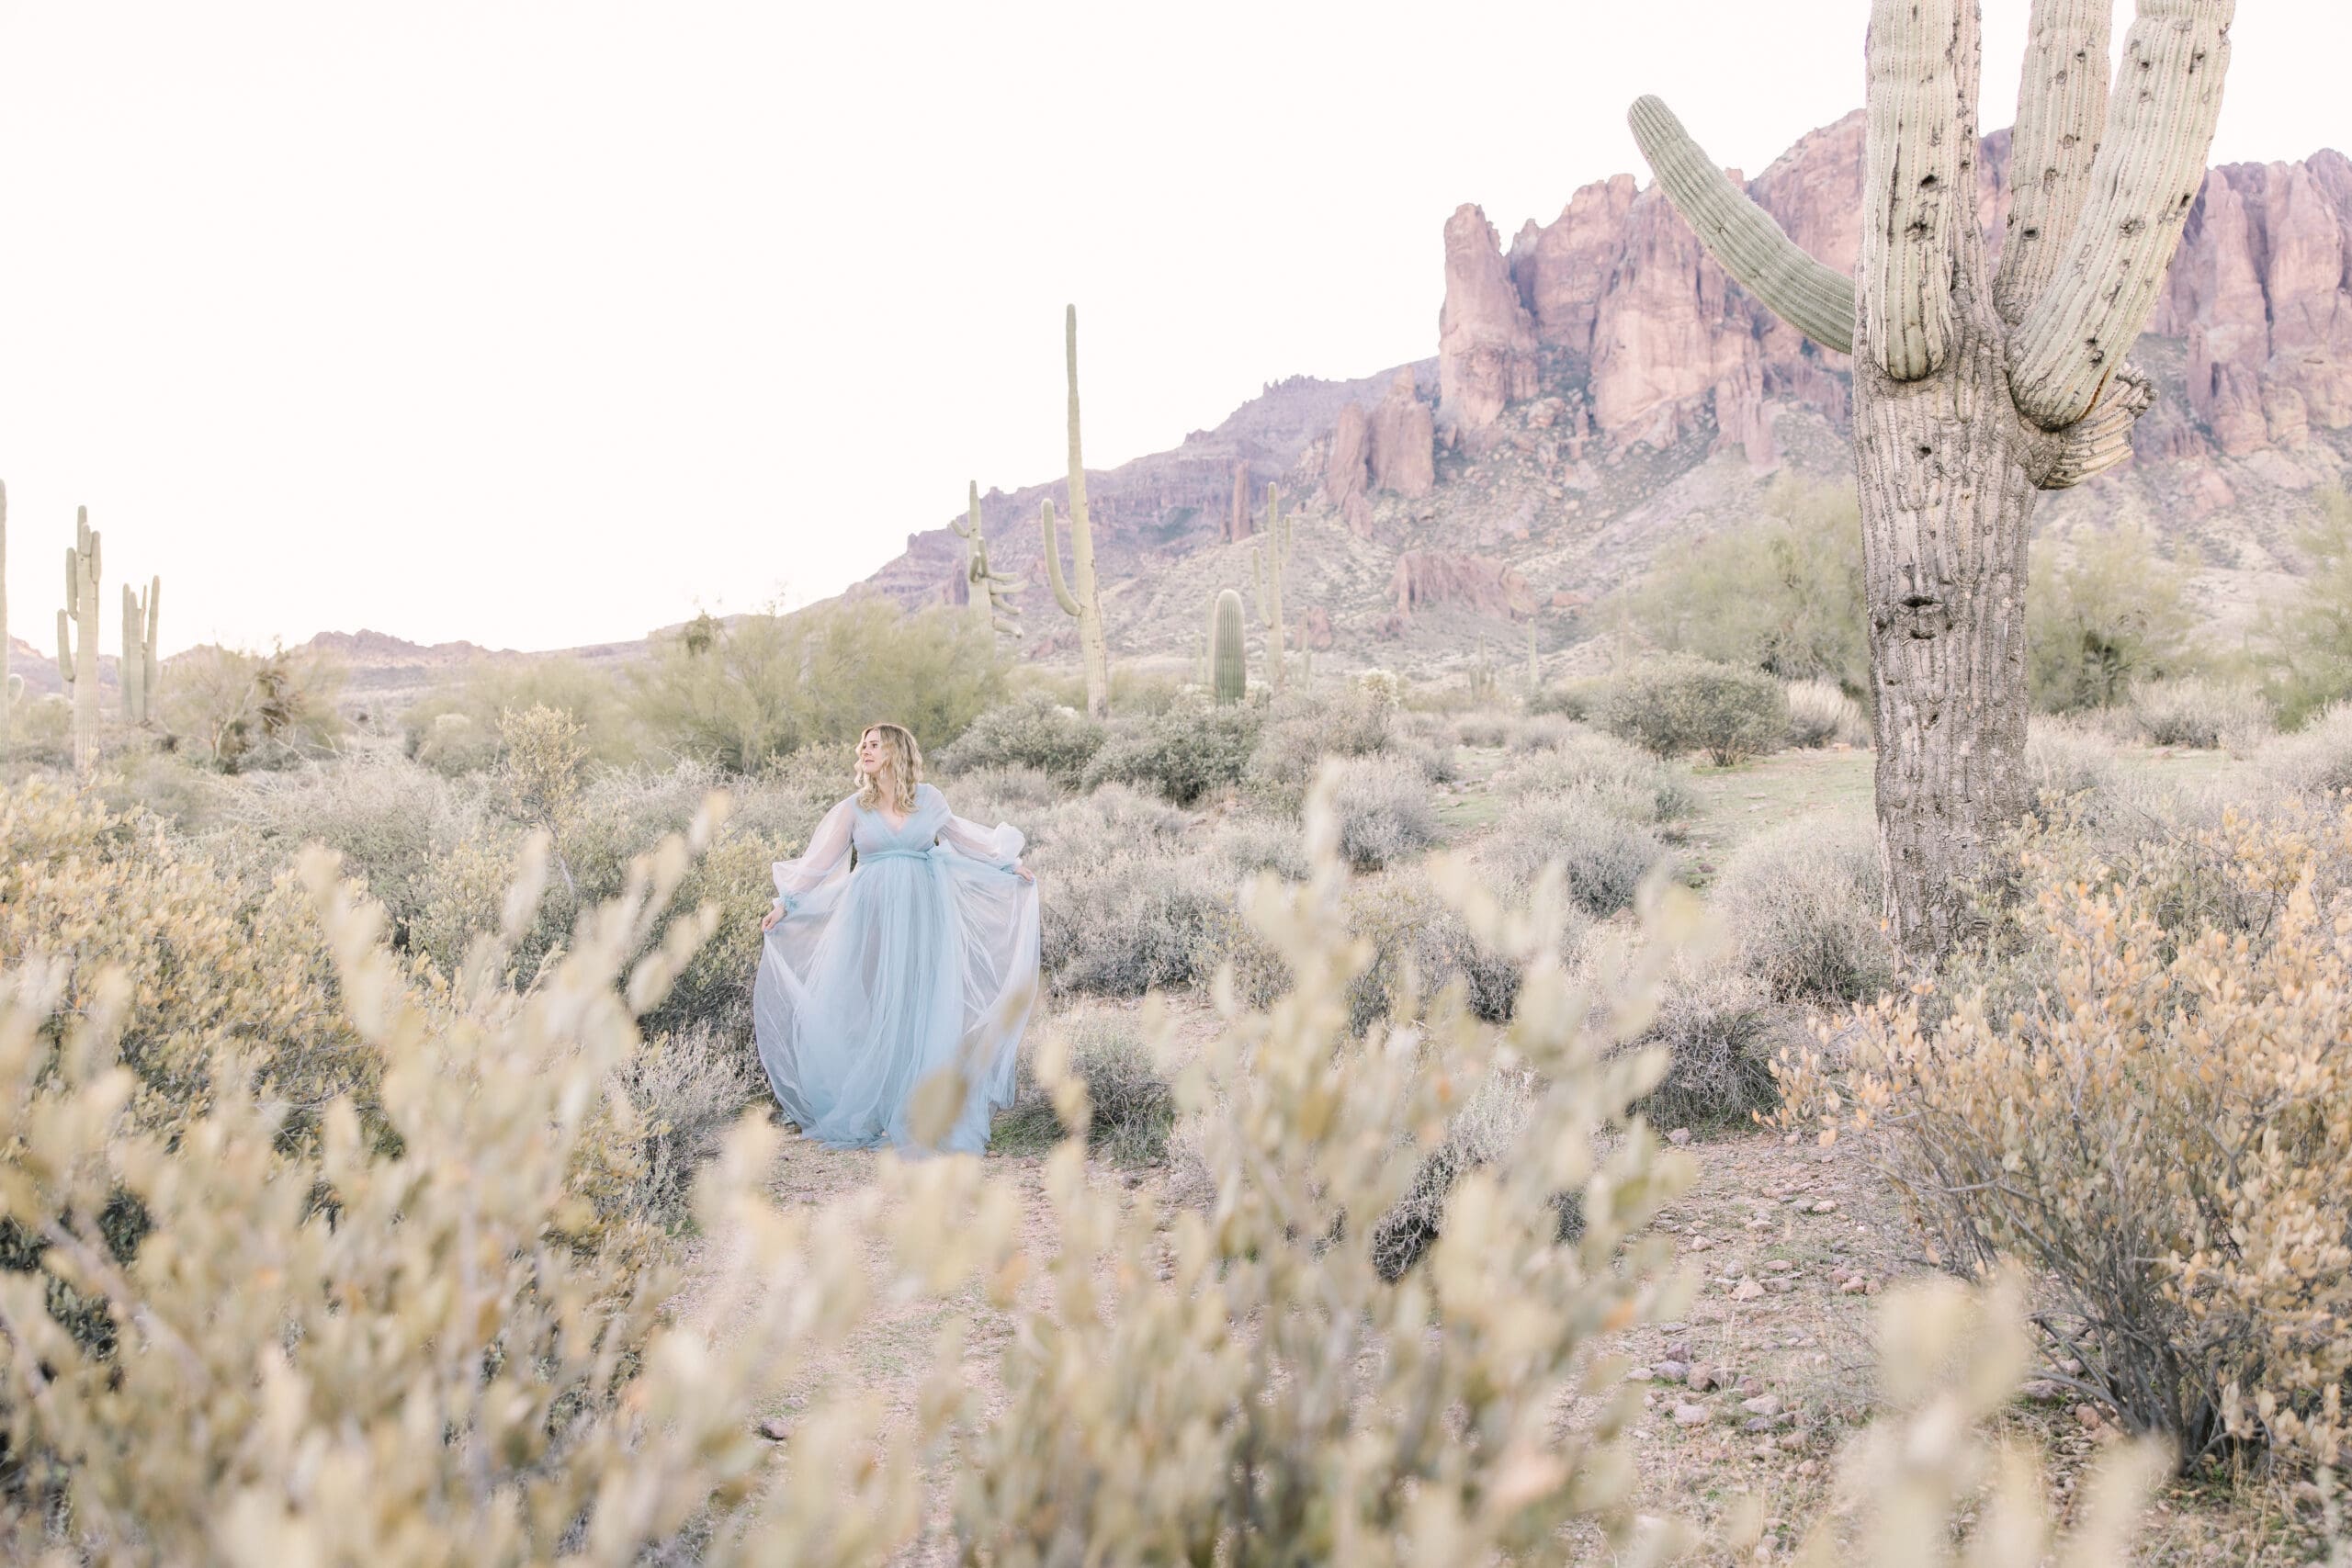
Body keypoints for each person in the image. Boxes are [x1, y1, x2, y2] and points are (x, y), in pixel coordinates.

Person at [752, 722, 1040, 1155]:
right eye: (861, 745)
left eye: (873, 744)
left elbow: (965, 841)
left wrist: (1008, 865)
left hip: (924, 914)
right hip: (868, 916)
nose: (863, 750)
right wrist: (785, 903)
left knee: (920, 1002)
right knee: (874, 1003)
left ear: (896, 751)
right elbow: (819, 863)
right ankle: (877, 1104)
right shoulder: (853, 807)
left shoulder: (930, 799)